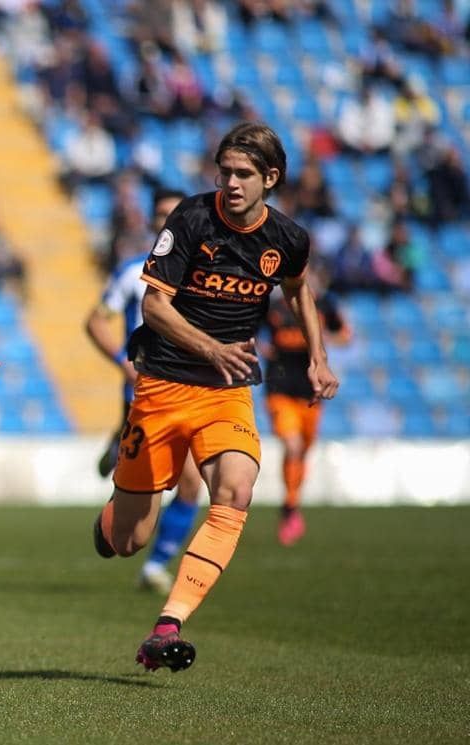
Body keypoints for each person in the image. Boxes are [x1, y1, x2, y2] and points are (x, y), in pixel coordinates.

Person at [91, 122, 339, 673]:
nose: (230, 182)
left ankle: (167, 626)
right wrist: (212, 349)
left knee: (236, 489)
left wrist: (319, 357)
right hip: (162, 387)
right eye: (224, 171)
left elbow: (299, 291)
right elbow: (154, 307)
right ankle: (112, 519)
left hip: (226, 392)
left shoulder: (288, 239)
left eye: (243, 174)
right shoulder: (191, 219)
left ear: (270, 178)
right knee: (129, 539)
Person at [84, 187, 205, 594]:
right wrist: (124, 364)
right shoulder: (133, 272)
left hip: (191, 391)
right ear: (152, 221)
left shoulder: (205, 276)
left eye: (176, 213)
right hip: (145, 391)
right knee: (147, 494)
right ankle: (121, 456)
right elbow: (95, 321)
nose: (169, 220)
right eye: (161, 214)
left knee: (191, 484)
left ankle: (155, 566)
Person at [262, 270, 350, 546]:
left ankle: (291, 503)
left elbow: (345, 335)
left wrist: (322, 341)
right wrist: (261, 347)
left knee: (301, 452)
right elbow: (250, 332)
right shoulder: (274, 306)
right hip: (279, 387)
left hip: (310, 391)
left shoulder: (324, 306)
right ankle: (290, 508)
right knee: (293, 446)